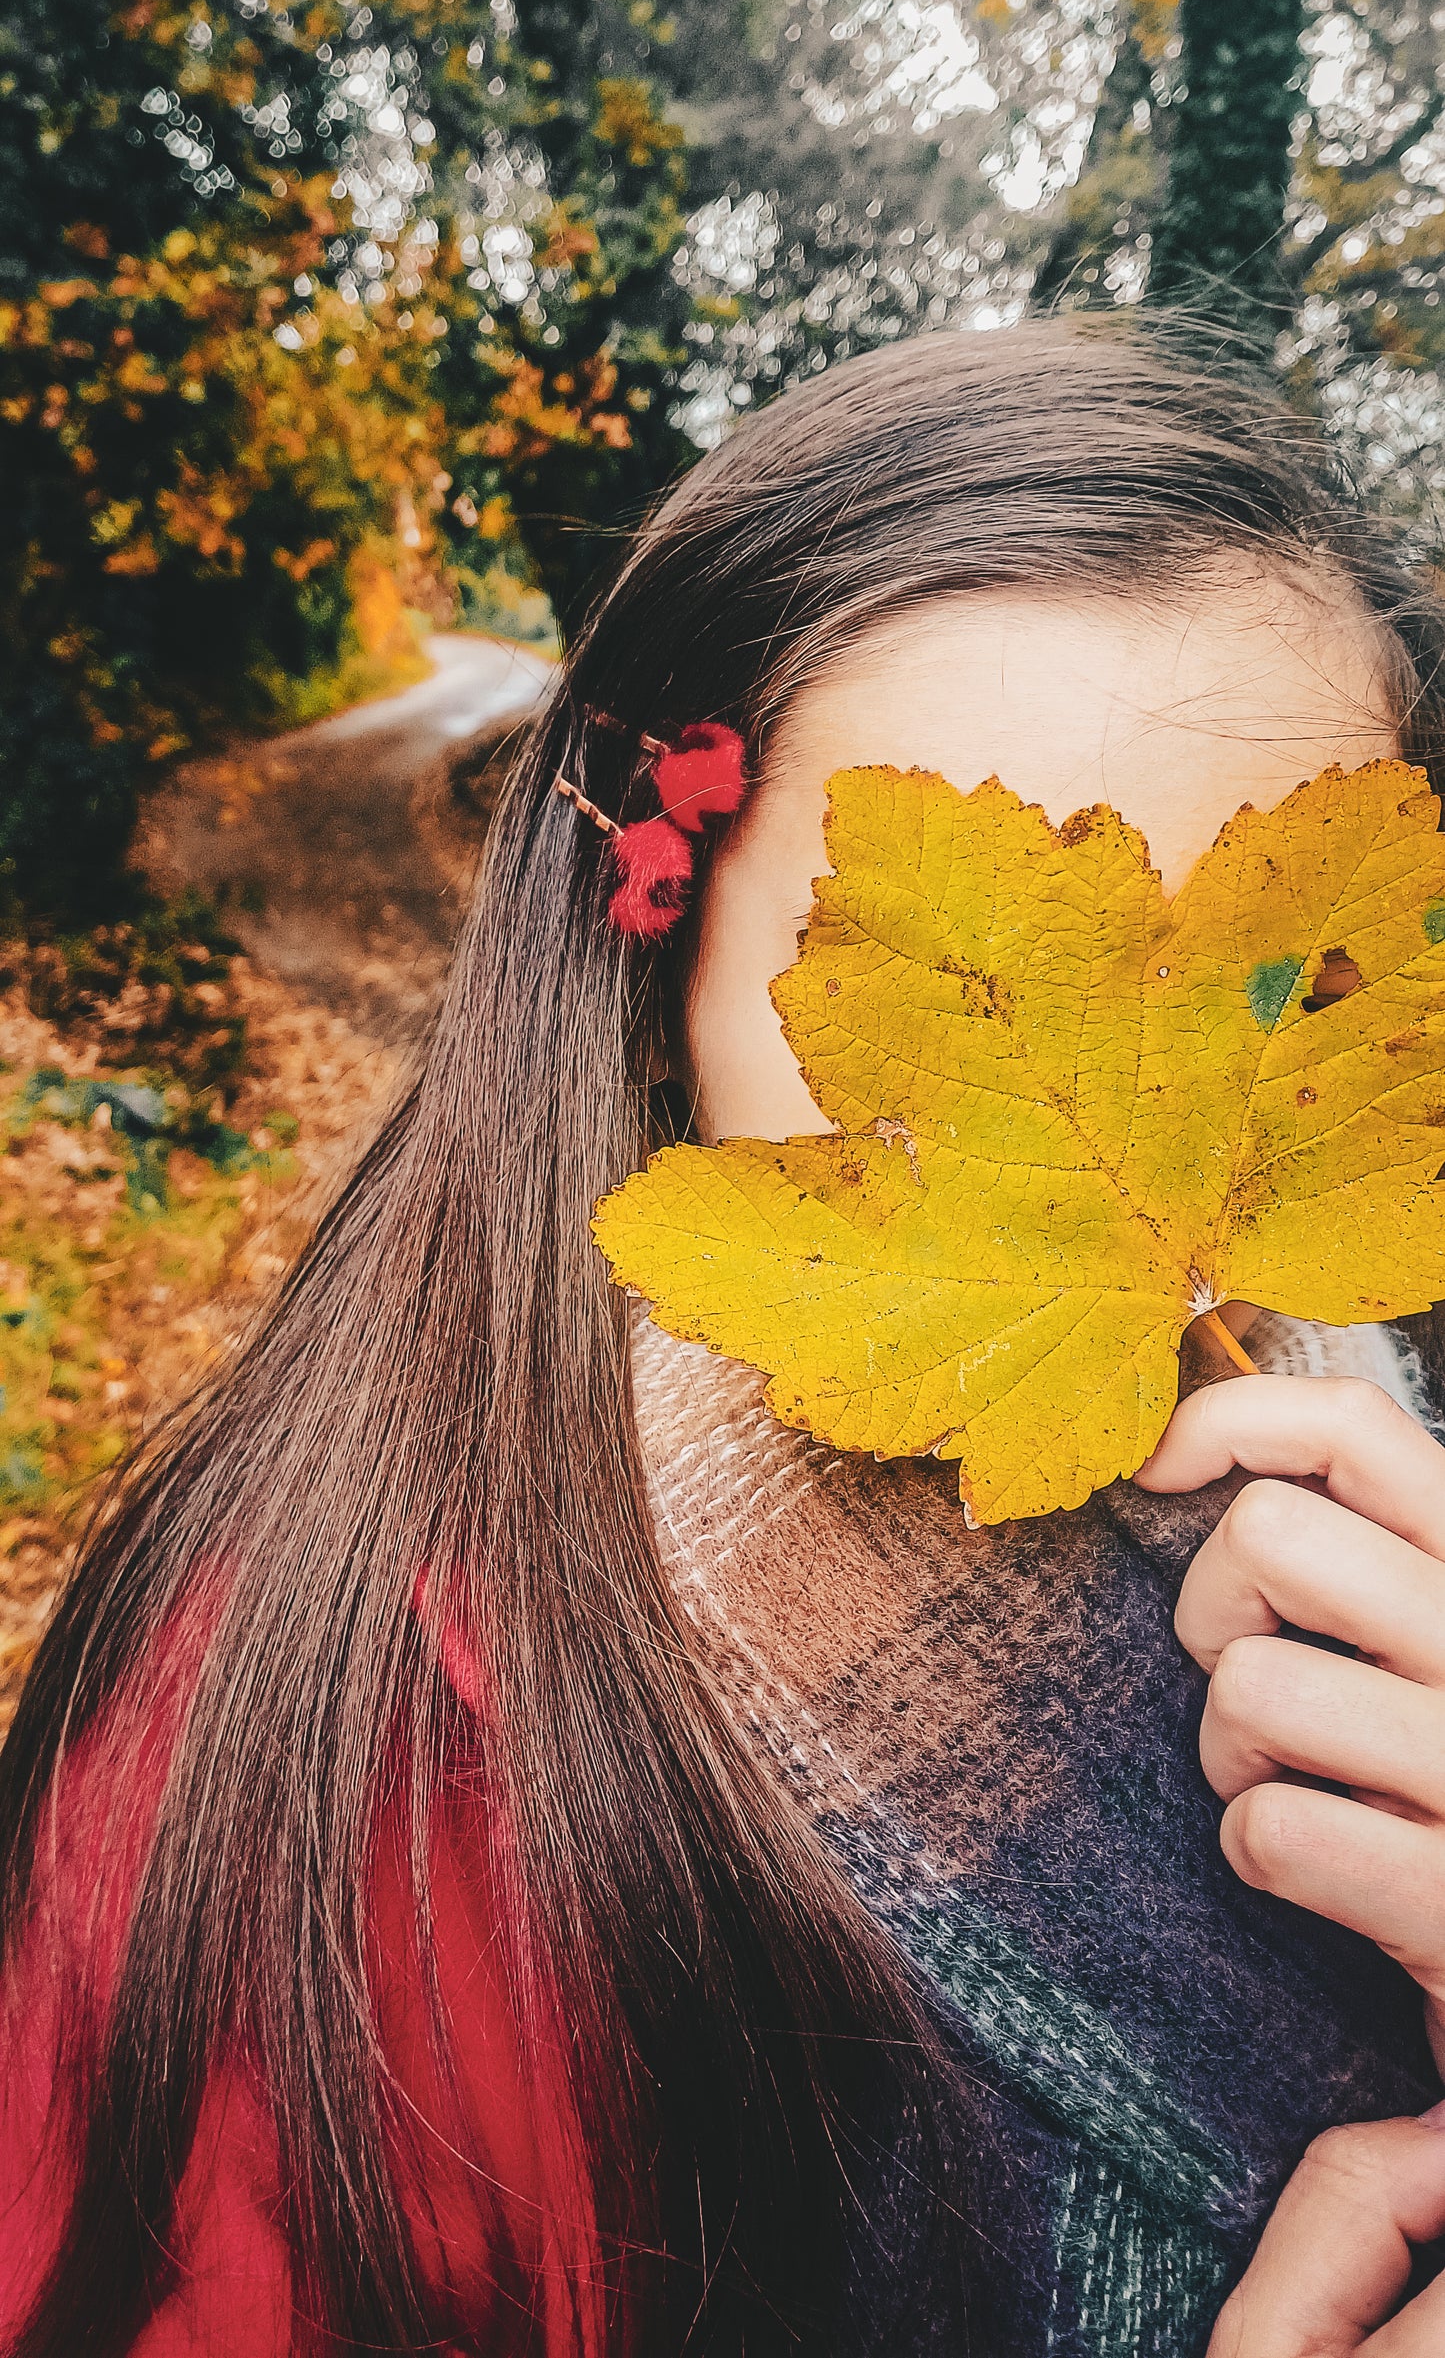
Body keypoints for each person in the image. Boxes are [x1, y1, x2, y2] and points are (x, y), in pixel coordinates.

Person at [4, 317, 1445, 2356]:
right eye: (947, 982)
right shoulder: (359, 1804)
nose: (1130, 1141)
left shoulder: (1391, 1490)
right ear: (656, 956)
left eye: (1276, 989)